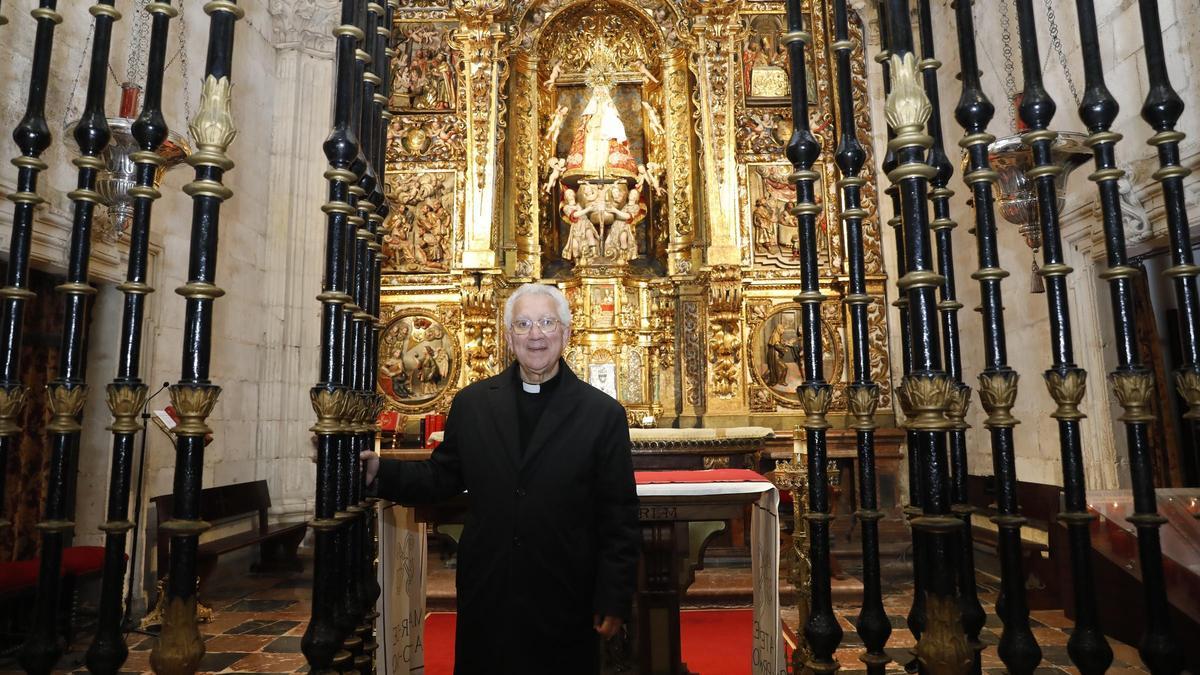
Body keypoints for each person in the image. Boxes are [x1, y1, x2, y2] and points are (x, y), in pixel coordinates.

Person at [361, 283, 640, 674]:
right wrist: (380, 474)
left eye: (546, 322)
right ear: (509, 336)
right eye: (523, 324)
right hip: (489, 591)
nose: (536, 334)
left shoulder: (602, 414)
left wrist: (613, 596)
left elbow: (619, 516)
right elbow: (441, 477)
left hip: (565, 595)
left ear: (566, 332)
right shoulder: (473, 404)